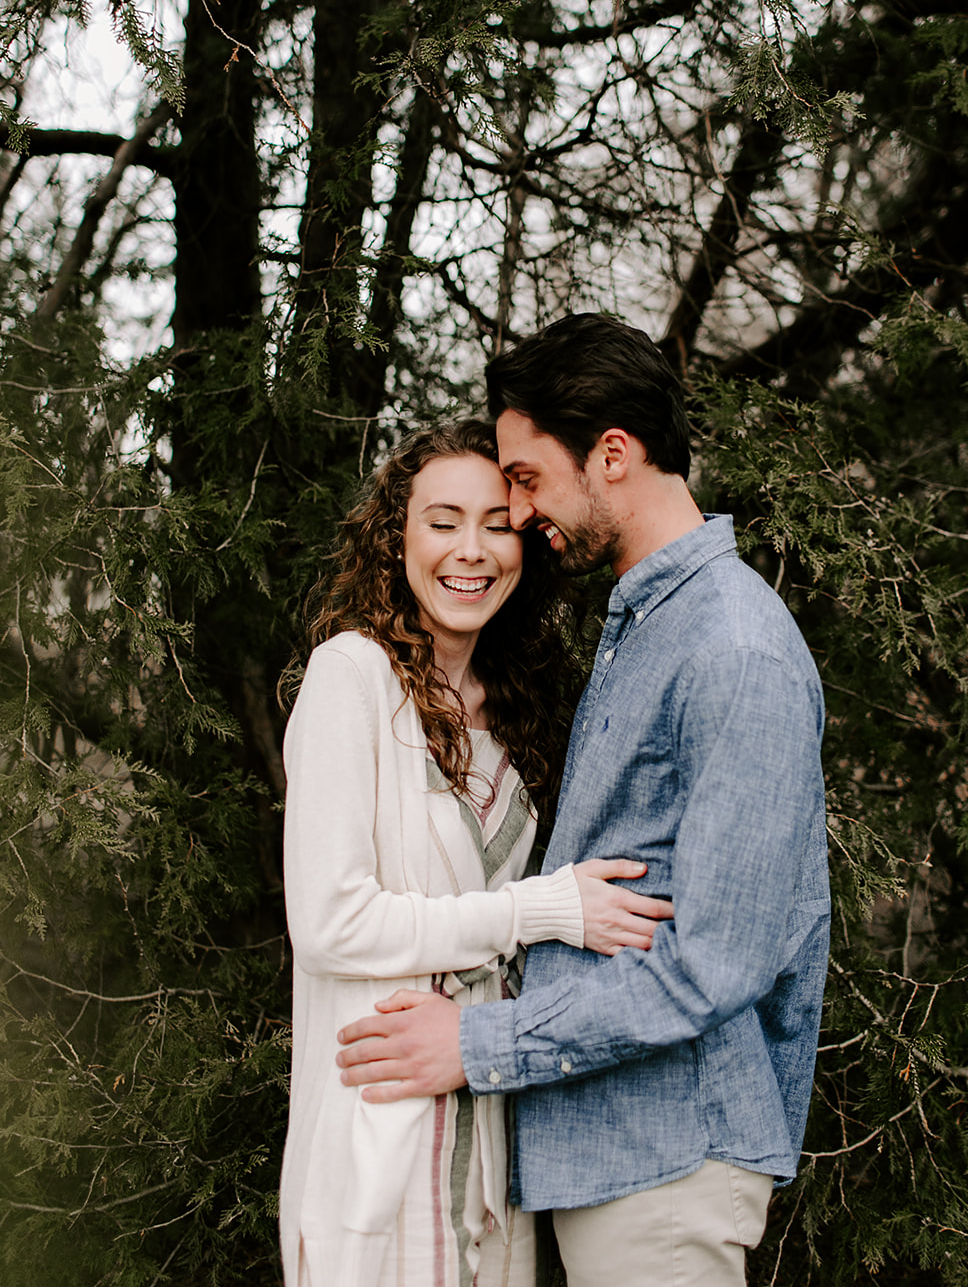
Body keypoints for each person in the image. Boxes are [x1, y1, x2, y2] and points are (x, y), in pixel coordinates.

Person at [335, 317, 831, 1287]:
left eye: (523, 478)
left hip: (669, 1160)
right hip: (616, 1158)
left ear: (611, 455)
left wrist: (475, 1045)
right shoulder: (646, 622)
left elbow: (714, 963)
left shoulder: (732, 646)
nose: (516, 512)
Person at [279, 417, 672, 1287]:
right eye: (441, 520)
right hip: (376, 1149)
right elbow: (330, 922)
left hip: (492, 1153)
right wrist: (542, 910)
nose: (472, 549)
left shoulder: (519, 712)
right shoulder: (353, 678)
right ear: (397, 538)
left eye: (497, 522)